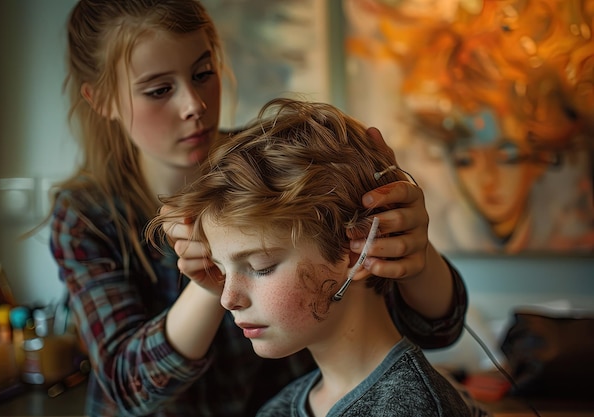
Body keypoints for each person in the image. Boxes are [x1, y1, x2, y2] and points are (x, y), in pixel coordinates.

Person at [49, 1, 468, 416]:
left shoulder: (271, 167)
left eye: (202, 74)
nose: (193, 104)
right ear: (100, 99)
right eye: (159, 90)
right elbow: (130, 387)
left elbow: (437, 326)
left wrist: (413, 249)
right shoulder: (86, 216)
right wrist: (212, 277)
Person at [149, 98, 481, 417]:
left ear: (357, 253)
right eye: (222, 270)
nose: (228, 299)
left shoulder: (416, 408)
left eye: (260, 267)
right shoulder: (278, 409)